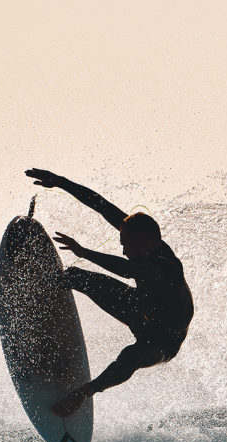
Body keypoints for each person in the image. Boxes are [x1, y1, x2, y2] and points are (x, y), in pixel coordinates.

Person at [25, 168, 194, 417]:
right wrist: (61, 182)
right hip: (139, 308)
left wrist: (85, 253)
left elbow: (126, 269)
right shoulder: (140, 237)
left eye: (125, 244)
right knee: (74, 276)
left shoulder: (167, 267)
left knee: (131, 356)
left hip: (162, 340)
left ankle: (83, 393)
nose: (124, 249)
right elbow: (101, 206)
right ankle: (29, 282)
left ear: (143, 244)